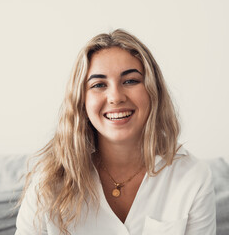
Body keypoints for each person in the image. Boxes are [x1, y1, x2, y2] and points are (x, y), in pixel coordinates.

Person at [15, 29, 216, 235]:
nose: (115, 97)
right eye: (99, 84)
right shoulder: (48, 181)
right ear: (81, 101)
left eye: (130, 81)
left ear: (152, 91)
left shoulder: (193, 176)